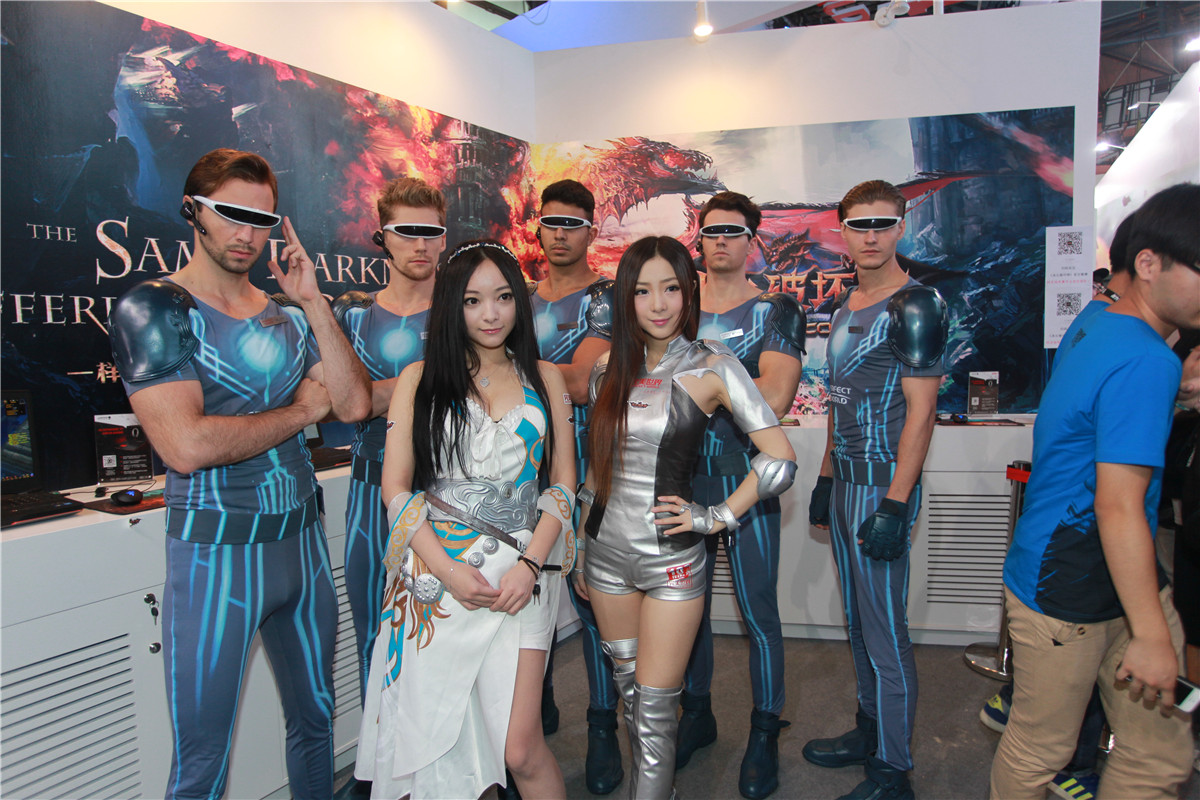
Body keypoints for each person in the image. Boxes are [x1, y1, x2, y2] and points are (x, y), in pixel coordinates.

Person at [107, 148, 371, 799]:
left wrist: (312, 303)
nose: (247, 233)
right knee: (202, 760)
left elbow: (352, 404)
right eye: (230, 214)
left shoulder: (288, 315)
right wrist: (300, 412)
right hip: (214, 561)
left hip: (302, 550)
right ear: (192, 210)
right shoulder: (157, 308)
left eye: (262, 219)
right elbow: (187, 445)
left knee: (317, 722)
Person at [989, 182, 1200, 799]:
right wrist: (1153, 637)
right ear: (1149, 263)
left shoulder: (1097, 316)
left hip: (1088, 569)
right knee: (1043, 748)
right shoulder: (1148, 361)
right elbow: (1118, 504)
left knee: (1155, 749)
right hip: (1072, 583)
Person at [576, 235, 797, 800]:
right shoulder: (605, 368)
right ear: (625, 298)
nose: (658, 304)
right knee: (630, 696)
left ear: (688, 293)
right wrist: (579, 547)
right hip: (604, 557)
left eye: (671, 288)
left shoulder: (713, 365)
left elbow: (779, 459)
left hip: (671, 559)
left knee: (654, 709)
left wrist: (717, 516)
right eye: (642, 291)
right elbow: (597, 469)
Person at [355, 240, 575, 800]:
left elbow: (563, 485)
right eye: (473, 301)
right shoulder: (419, 379)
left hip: (522, 579)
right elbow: (396, 489)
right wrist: (449, 572)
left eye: (504, 297)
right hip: (437, 578)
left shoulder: (545, 377)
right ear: (453, 305)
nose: (491, 314)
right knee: (441, 746)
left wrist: (531, 565)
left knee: (520, 748)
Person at [804, 179, 946, 800]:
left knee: (886, 630)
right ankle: (871, 731)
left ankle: (893, 770)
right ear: (842, 231)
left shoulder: (915, 305)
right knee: (858, 622)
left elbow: (923, 413)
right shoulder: (847, 305)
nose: (870, 236)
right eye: (858, 225)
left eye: (882, 224)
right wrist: (825, 475)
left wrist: (895, 503)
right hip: (845, 484)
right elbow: (839, 404)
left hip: (883, 488)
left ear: (901, 226)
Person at [675, 192, 805, 800]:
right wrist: (728, 385)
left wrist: (697, 386)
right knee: (687, 609)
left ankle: (764, 732)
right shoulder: (676, 307)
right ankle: (697, 714)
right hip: (682, 480)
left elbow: (774, 399)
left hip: (747, 480)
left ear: (752, 240)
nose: (721, 240)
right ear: (699, 239)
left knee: (758, 613)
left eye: (734, 231)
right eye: (711, 231)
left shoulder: (775, 309)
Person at [334, 177, 447, 800]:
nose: (420, 245)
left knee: (447, 630)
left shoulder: (461, 311)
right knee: (372, 634)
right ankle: (375, 767)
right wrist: (397, 392)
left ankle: (459, 765)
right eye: (407, 232)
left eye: (432, 232)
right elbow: (339, 402)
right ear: (383, 237)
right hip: (367, 493)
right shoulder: (353, 314)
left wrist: (372, 395)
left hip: (445, 490)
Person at [530, 179, 623, 794]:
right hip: (520, 464)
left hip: (587, 462)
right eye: (551, 222)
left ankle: (601, 726)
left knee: (589, 600)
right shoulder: (516, 295)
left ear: (591, 230)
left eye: (572, 223)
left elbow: (586, 383)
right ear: (537, 228)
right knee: (522, 589)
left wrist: (511, 371)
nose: (560, 234)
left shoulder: (606, 297)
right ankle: (533, 712)